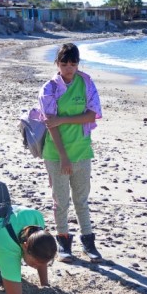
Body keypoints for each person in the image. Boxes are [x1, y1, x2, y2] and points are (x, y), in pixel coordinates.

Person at [38, 43, 103, 263]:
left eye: (73, 63)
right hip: (56, 154)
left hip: (82, 151)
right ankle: (63, 243)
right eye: (64, 63)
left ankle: (88, 243)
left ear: (78, 64)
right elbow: (50, 125)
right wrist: (64, 157)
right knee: (61, 201)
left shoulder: (86, 83)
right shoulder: (49, 89)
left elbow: (92, 116)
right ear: (57, 63)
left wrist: (64, 119)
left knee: (81, 200)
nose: (68, 68)